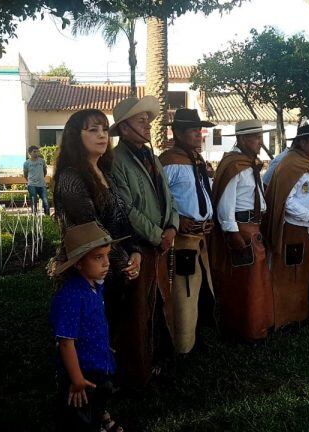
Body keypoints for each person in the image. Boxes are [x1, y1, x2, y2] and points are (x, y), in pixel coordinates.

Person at [52, 108, 142, 361]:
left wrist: (135, 251)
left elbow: (122, 220)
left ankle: (108, 374)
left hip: (113, 267)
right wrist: (125, 261)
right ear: (74, 136)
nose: (103, 135)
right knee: (87, 333)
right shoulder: (71, 177)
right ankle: (82, 385)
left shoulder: (105, 173)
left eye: (104, 129)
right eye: (93, 130)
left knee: (109, 328)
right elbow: (91, 231)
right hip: (86, 269)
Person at [109, 96, 180, 387]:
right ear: (124, 128)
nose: (147, 126)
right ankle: (136, 370)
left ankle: (157, 360)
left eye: (147, 121)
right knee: (137, 311)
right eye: (141, 121)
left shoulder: (151, 156)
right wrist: (156, 235)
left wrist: (172, 226)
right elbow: (126, 208)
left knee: (159, 305)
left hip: (160, 244)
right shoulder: (116, 161)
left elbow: (169, 196)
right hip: (137, 246)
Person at [50, 222, 126, 432]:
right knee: (80, 415)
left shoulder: (94, 286)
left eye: (107, 255)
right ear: (78, 264)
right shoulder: (71, 297)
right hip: (81, 372)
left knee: (98, 399)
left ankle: (101, 417)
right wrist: (76, 380)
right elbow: (66, 343)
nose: (107, 263)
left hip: (96, 364)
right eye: (98, 257)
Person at [210, 119, 275, 342]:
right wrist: (232, 232)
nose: (260, 142)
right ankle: (244, 330)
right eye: (256, 137)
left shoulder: (248, 164)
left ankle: (257, 327)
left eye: (260, 136)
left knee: (257, 280)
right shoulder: (234, 165)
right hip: (242, 228)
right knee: (245, 282)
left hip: (253, 227)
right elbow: (225, 204)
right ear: (242, 139)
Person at [159, 108, 216, 354]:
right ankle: (180, 344)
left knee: (201, 288)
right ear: (178, 133)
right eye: (193, 131)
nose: (198, 136)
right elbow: (160, 198)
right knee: (183, 291)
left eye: (199, 131)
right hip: (182, 239)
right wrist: (177, 219)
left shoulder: (197, 160)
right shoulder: (169, 162)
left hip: (200, 237)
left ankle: (196, 336)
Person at [263, 124, 309, 327]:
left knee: (305, 271)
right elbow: (287, 201)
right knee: (290, 273)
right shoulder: (290, 164)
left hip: (307, 227)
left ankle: (300, 313)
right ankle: (285, 317)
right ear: (302, 142)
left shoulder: (308, 163)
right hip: (293, 228)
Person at [23, 145, 50, 214]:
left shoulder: (42, 161)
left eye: (37, 151)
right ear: (30, 153)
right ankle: (34, 217)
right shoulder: (26, 163)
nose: (36, 153)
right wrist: (30, 180)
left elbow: (45, 171)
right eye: (34, 152)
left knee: (46, 201)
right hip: (32, 185)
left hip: (42, 185)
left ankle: (47, 218)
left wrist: (40, 178)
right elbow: (25, 174)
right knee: (33, 201)